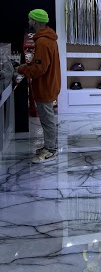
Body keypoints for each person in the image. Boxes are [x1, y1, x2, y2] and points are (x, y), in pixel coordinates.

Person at [17, 9, 61, 163]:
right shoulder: (48, 38)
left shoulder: (43, 41)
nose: (28, 21)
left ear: (34, 21)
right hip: (49, 84)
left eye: (30, 19)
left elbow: (39, 69)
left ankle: (50, 150)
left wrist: (22, 69)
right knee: (46, 119)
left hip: (45, 86)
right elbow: (42, 63)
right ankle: (49, 146)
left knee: (47, 120)